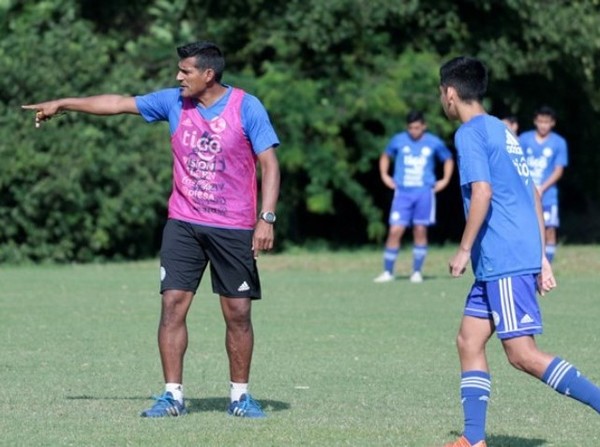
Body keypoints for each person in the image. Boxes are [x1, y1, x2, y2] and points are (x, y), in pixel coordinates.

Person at [22, 41, 280, 419]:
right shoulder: (174, 102)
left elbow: (270, 164)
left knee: (238, 313)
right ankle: (172, 396)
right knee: (172, 306)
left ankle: (240, 396)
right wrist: (64, 103)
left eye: (185, 71)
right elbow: (117, 104)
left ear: (208, 75)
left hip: (233, 225)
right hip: (183, 222)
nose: (178, 77)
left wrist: (266, 217)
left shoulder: (247, 107)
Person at [438, 56, 600, 447]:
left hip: (503, 257)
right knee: (468, 340)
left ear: (450, 93)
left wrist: (463, 249)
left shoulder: (470, 133)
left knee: (522, 354)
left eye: (441, 94)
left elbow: (483, 192)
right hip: (504, 258)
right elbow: (533, 191)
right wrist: (542, 255)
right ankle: (473, 439)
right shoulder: (502, 130)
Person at [373, 110, 454, 284]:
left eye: (417, 127)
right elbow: (386, 155)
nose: (414, 131)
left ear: (424, 126)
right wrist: (384, 175)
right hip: (402, 193)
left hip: (424, 192)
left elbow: (448, 159)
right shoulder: (399, 140)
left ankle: (416, 271)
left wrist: (445, 180)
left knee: (420, 230)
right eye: (410, 128)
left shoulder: (434, 142)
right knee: (395, 230)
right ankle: (388, 271)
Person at [519, 105, 568, 263]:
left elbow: (558, 170)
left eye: (547, 122)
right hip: (525, 195)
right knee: (525, 229)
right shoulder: (524, 139)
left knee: (549, 230)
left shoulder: (559, 142)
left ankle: (547, 265)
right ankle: (527, 262)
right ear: (535, 121)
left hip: (548, 196)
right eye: (540, 121)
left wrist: (541, 188)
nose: (543, 125)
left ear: (552, 123)